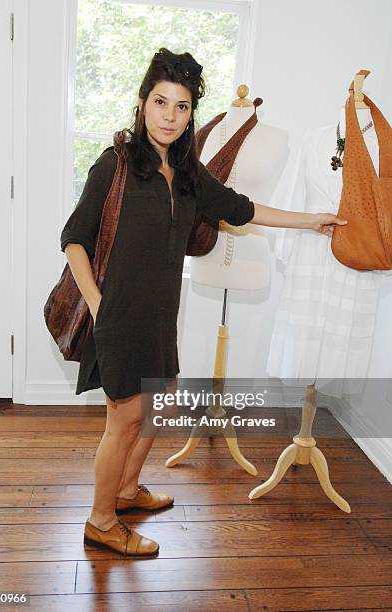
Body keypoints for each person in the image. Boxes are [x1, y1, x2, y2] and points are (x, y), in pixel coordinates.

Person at [60, 48, 347, 557]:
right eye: (160, 102)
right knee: (124, 420)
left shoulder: (190, 173)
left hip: (159, 314)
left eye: (182, 106)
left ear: (192, 112)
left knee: (159, 405)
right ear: (142, 103)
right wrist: (100, 306)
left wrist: (312, 220)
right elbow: (75, 238)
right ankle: (102, 521)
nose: (170, 115)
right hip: (119, 313)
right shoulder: (117, 164)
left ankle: (126, 491)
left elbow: (244, 208)